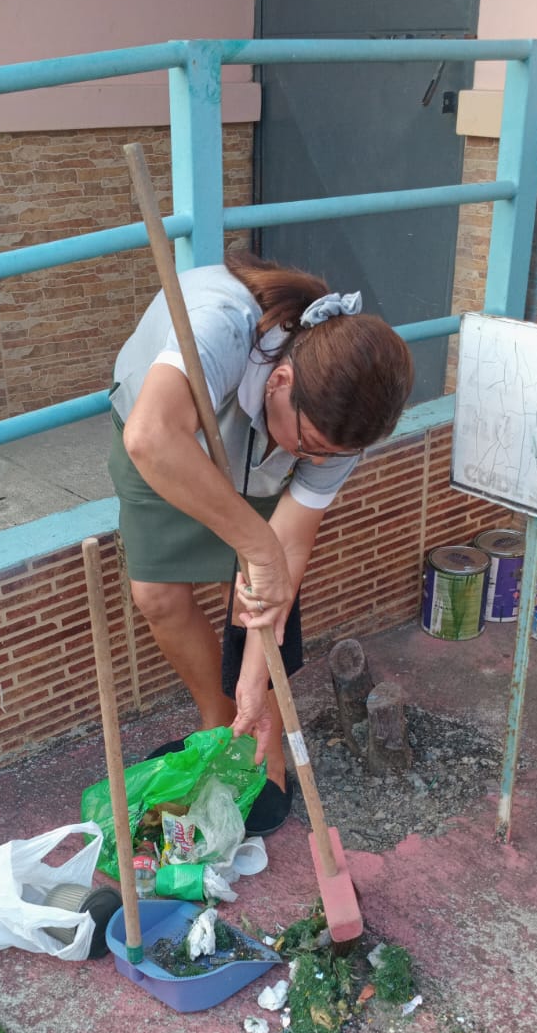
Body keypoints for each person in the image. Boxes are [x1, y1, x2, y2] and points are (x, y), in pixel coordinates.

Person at [108, 249, 414, 833]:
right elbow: (151, 438)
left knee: (254, 602)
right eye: (311, 446)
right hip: (168, 445)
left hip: (257, 456)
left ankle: (253, 735)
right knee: (157, 596)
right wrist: (259, 545)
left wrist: (254, 683)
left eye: (330, 456)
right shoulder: (221, 325)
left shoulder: (339, 426)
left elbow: (285, 556)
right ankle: (214, 719)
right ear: (279, 380)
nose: (314, 463)